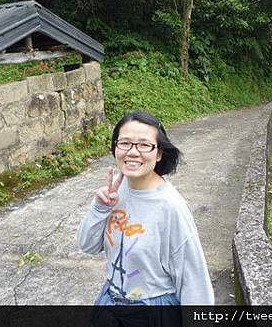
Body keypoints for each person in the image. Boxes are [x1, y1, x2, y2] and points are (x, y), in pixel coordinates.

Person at [77, 111, 214, 308]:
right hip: (110, 302)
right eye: (124, 143)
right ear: (115, 148)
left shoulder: (171, 207)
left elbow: (194, 281)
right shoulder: (116, 192)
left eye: (144, 145)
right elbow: (87, 246)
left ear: (158, 153)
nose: (132, 152)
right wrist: (100, 208)